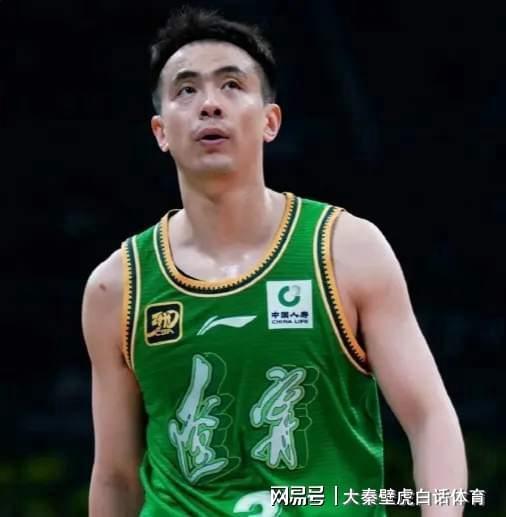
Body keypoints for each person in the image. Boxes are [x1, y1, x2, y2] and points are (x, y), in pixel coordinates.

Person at [82, 7, 467, 516]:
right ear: (160, 131)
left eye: (231, 85)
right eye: (186, 90)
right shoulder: (116, 287)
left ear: (270, 121)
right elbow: (114, 476)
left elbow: (430, 419)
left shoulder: (346, 250)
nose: (209, 104)